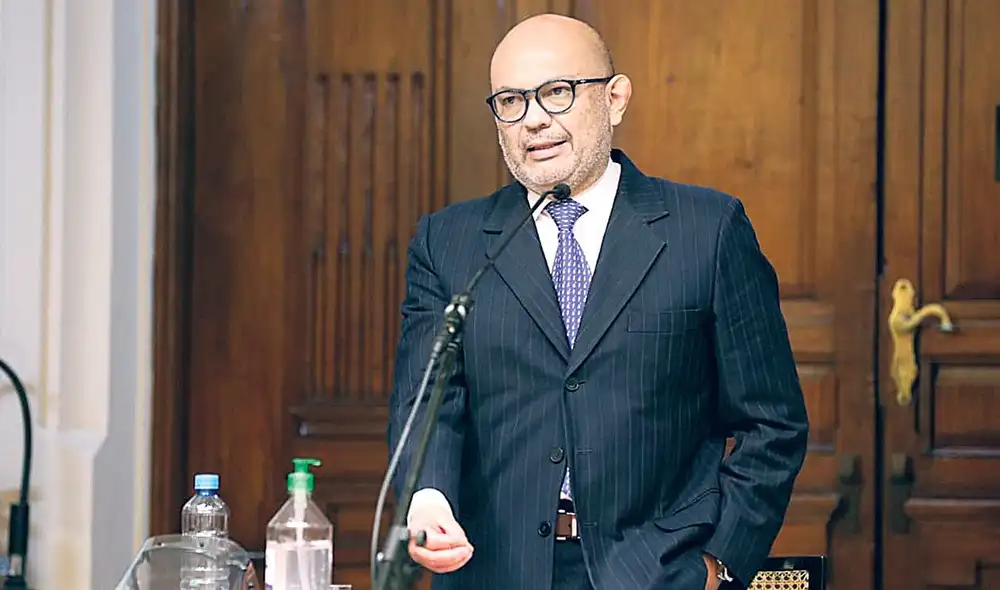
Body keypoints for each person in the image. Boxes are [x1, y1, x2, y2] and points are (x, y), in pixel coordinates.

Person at [387, 13, 809, 590]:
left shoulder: (706, 231)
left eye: (557, 93)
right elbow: (427, 401)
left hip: (660, 571)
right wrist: (428, 497)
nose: (533, 119)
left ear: (615, 99)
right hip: (495, 568)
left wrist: (719, 565)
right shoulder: (450, 242)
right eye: (510, 101)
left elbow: (772, 423)